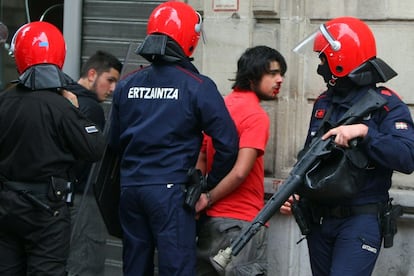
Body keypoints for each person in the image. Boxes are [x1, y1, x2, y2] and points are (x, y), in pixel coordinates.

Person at [106, 2, 239, 276]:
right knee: (176, 268)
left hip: (130, 188)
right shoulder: (197, 86)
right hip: (170, 192)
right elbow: (228, 143)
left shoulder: (127, 84)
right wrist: (206, 186)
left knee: (134, 267)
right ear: (190, 38)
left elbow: (114, 142)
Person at [280, 16, 414, 275]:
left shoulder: (386, 104)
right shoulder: (323, 103)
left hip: (359, 219)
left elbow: (407, 157)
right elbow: (312, 157)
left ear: (340, 61)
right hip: (319, 220)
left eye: (323, 59)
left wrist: (365, 133)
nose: (320, 67)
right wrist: (296, 191)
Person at [0, 21, 105, 276]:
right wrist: (76, 109)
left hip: (6, 208)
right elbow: (95, 148)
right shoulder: (61, 106)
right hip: (46, 211)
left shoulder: (4, 100)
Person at [195, 45, 287, 275]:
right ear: (253, 76)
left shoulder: (220, 105)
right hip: (241, 222)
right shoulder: (256, 116)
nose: (280, 79)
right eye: (272, 73)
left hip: (210, 222)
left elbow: (202, 156)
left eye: (281, 73)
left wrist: (199, 198)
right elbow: (240, 171)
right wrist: (207, 197)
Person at [65, 50, 122, 276]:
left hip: (61, 199)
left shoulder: (64, 97)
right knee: (86, 262)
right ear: (92, 74)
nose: (113, 89)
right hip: (85, 198)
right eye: (110, 80)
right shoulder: (91, 109)